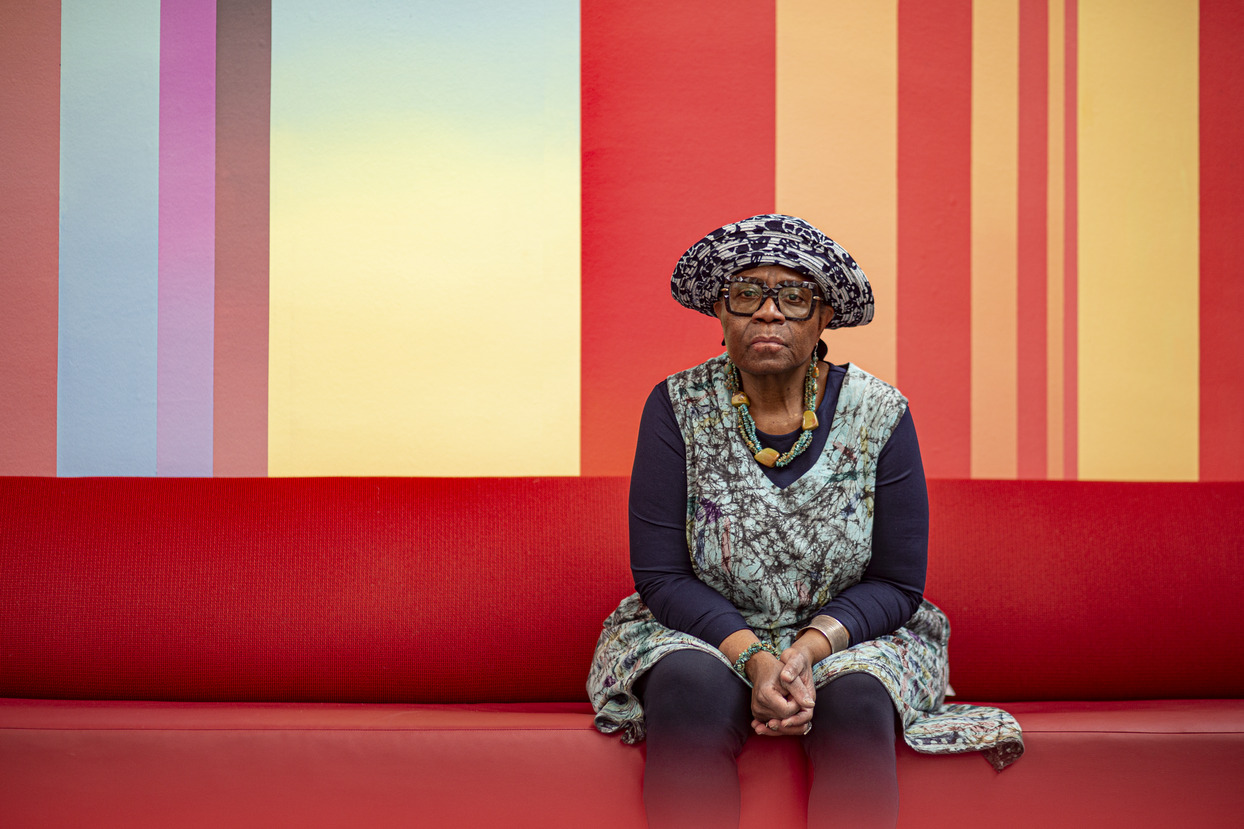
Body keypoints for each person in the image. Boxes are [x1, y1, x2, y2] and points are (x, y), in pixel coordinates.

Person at [587, 215, 1023, 828]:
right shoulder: (675, 406)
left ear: (823, 320)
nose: (769, 312)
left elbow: (898, 583)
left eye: (794, 296)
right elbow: (662, 575)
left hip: (849, 638)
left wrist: (805, 652)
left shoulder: (879, 413)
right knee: (688, 687)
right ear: (721, 312)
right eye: (747, 294)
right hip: (701, 633)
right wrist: (756, 659)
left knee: (857, 699)